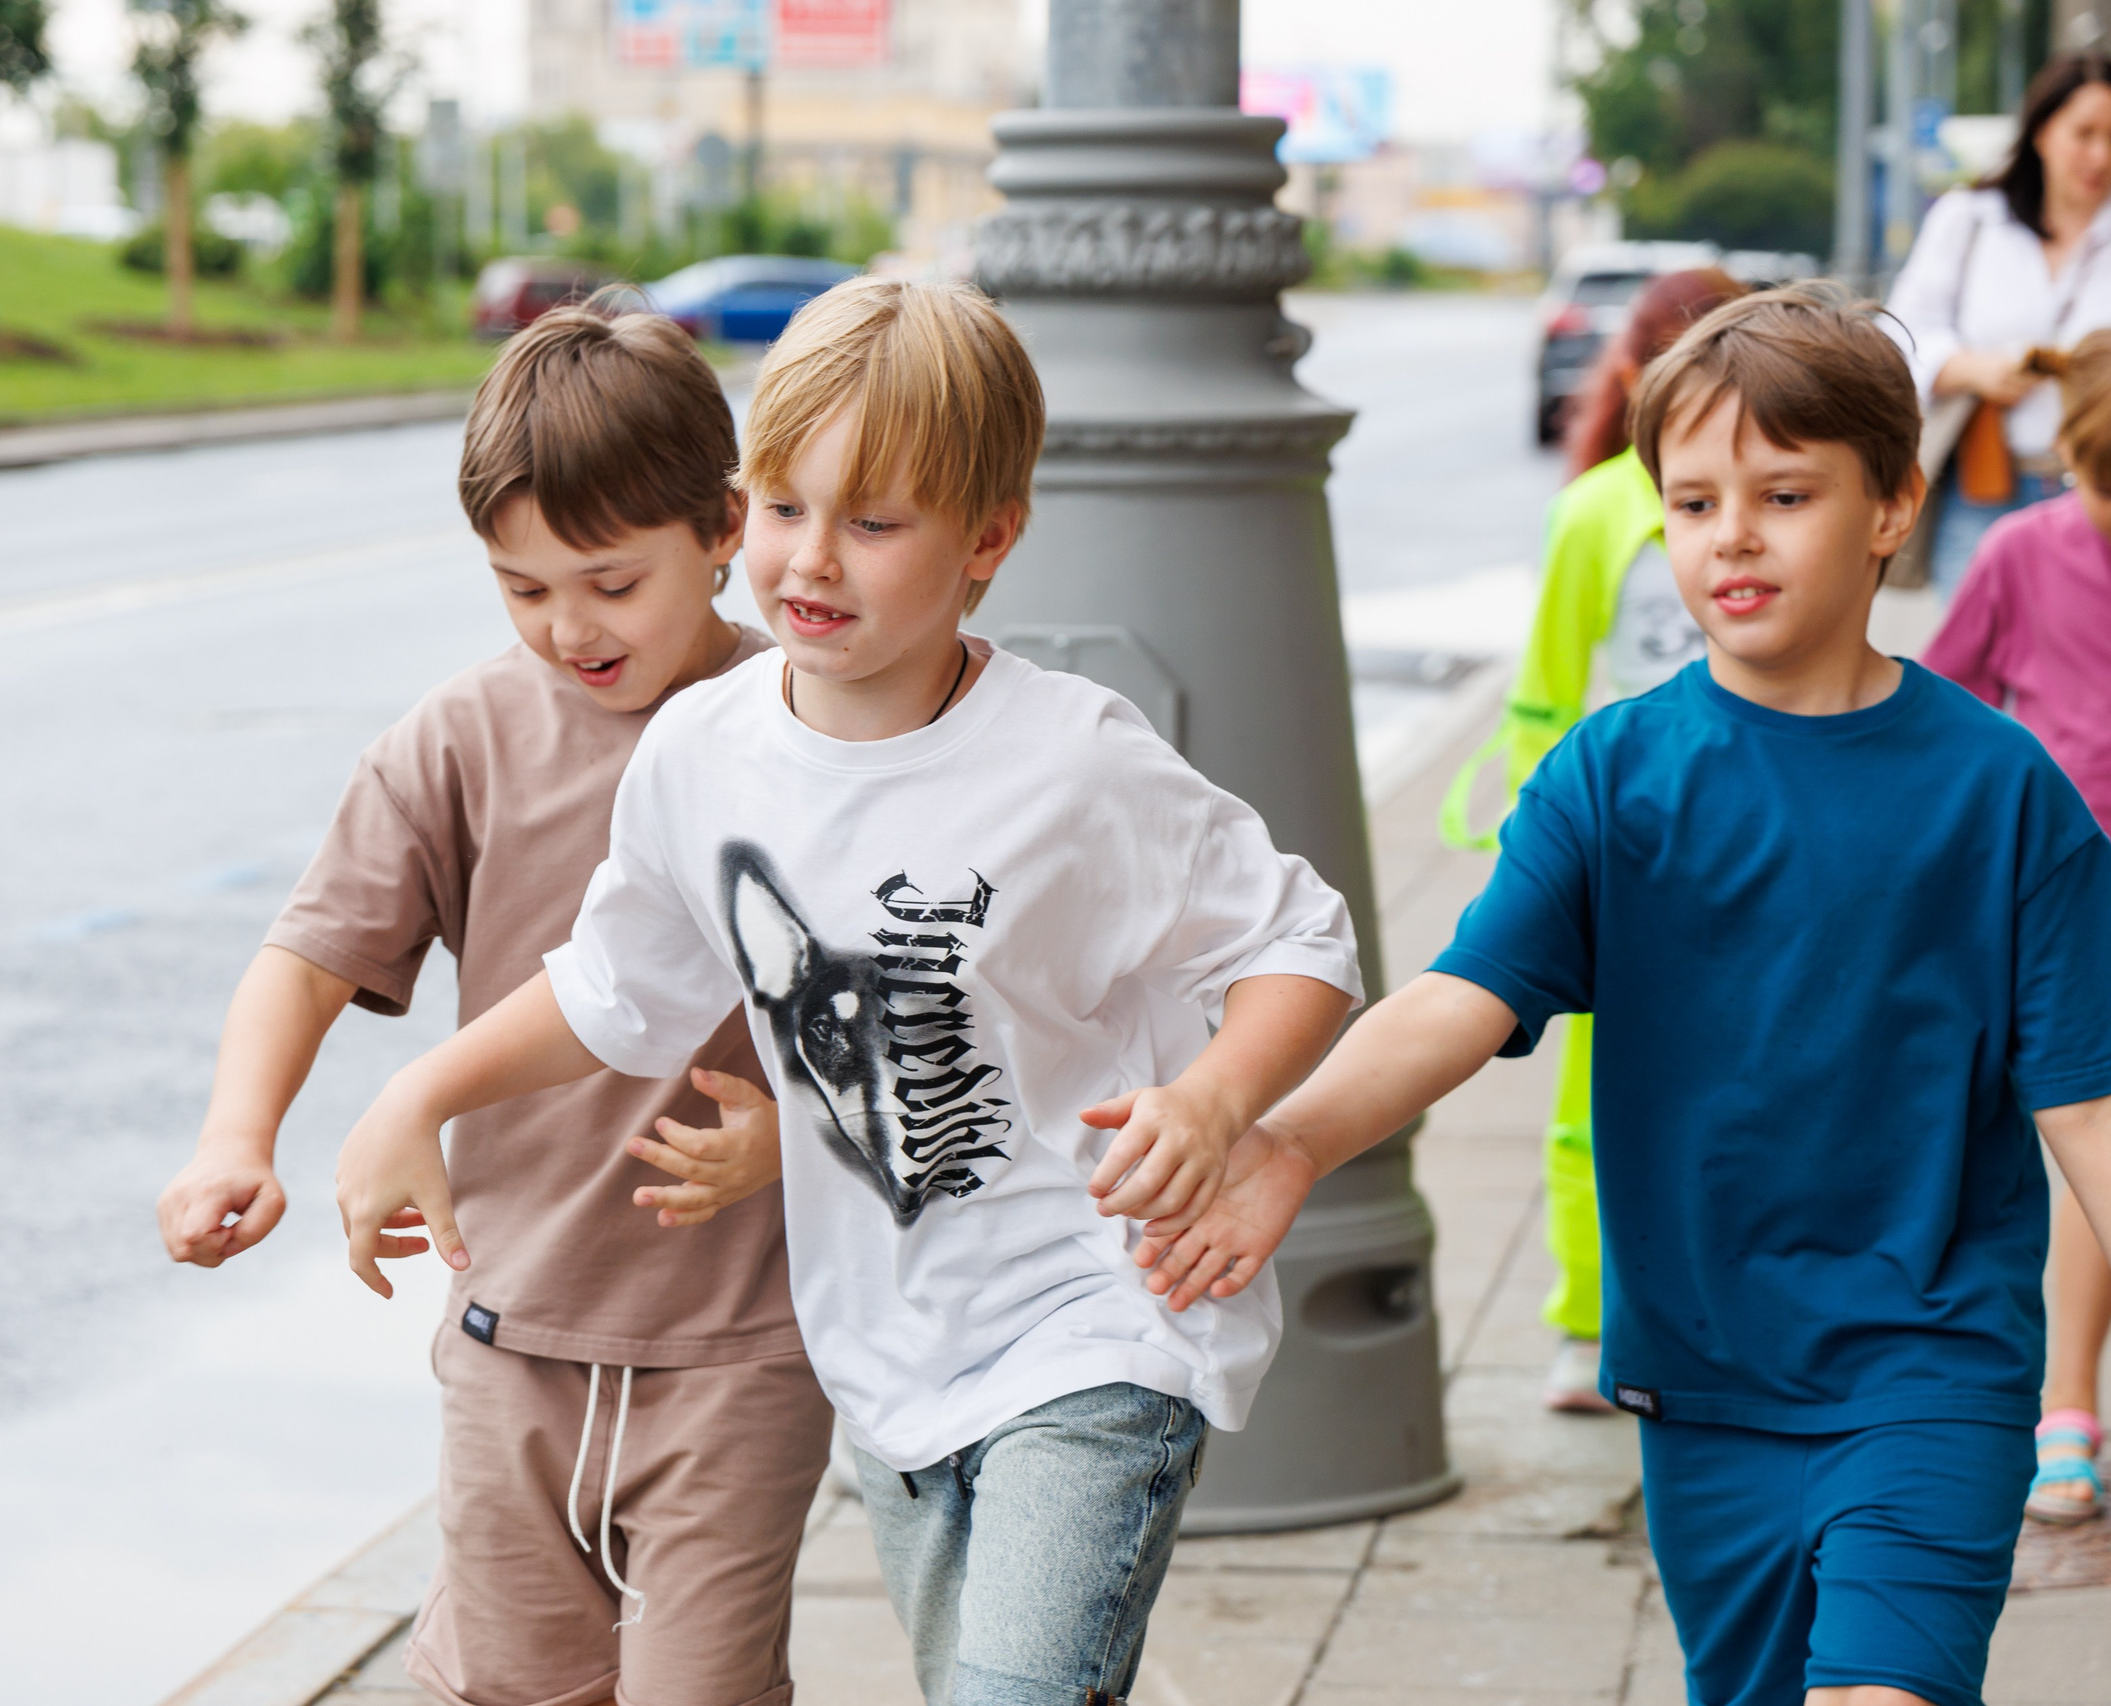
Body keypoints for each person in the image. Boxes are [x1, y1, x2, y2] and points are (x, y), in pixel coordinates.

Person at [1138, 287, 2111, 1706]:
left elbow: (2092, 1098)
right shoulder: (1610, 777)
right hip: (1706, 1379)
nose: (1734, 535)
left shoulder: (2000, 790)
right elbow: (1461, 999)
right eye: (1696, 500)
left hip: (1930, 1363)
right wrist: (1287, 1138)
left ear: (1894, 506)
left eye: (1786, 493)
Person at [326, 276, 1363, 1706]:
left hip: (1095, 1320)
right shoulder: (701, 754)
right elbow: (617, 988)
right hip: (889, 1349)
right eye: (785, 507)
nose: (813, 559)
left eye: (875, 523)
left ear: (987, 538)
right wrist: (417, 1088)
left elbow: (1299, 940)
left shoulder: (1072, 759)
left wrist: (1217, 1096)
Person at [154, 306, 835, 1706]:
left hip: (745, 1354)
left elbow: (911, 1006)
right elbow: (309, 953)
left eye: (607, 581)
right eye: (521, 589)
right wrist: (238, 1135)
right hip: (508, 1339)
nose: (566, 628)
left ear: (721, 527)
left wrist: (800, 1132)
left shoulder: (813, 722)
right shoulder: (461, 736)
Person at [1924, 321, 2111, 1526]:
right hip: (2078, 926)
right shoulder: (2020, 554)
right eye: (2108, 490)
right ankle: (2066, 1405)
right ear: (2067, 460)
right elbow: (1939, 711)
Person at [1441, 267, 1743, 1412]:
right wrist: (1541, 846)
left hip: (1741, 845)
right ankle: (1587, 1316)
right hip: (1623, 847)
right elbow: (1549, 682)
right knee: (1588, 1098)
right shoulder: (1595, 510)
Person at [1888, 50, 2111, 598]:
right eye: (2084, 133)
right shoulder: (1969, 219)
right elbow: (1901, 336)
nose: (2102, 154)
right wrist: (1975, 370)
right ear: (2041, 132)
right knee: (1979, 668)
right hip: (1987, 492)